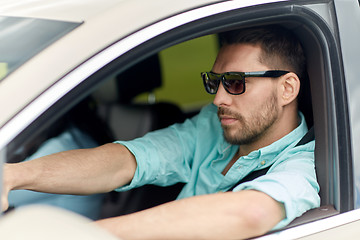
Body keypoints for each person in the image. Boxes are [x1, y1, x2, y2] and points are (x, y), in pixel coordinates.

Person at [2, 25, 320, 239]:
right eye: (214, 82)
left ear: (287, 89)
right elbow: (130, 160)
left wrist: (87, 234)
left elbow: (251, 211)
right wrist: (14, 175)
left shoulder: (305, 164)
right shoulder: (214, 126)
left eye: (236, 83)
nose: (218, 98)